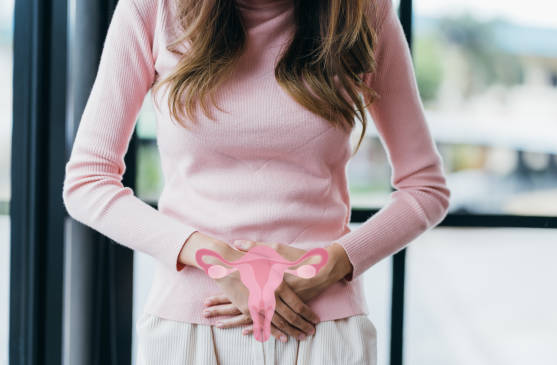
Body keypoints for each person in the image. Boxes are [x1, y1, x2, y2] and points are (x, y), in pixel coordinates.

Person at [62, 0, 451, 363]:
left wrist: (330, 265)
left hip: (323, 329)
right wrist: (217, 260)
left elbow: (426, 188)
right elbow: (88, 181)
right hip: (189, 331)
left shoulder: (361, 12)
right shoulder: (153, 8)